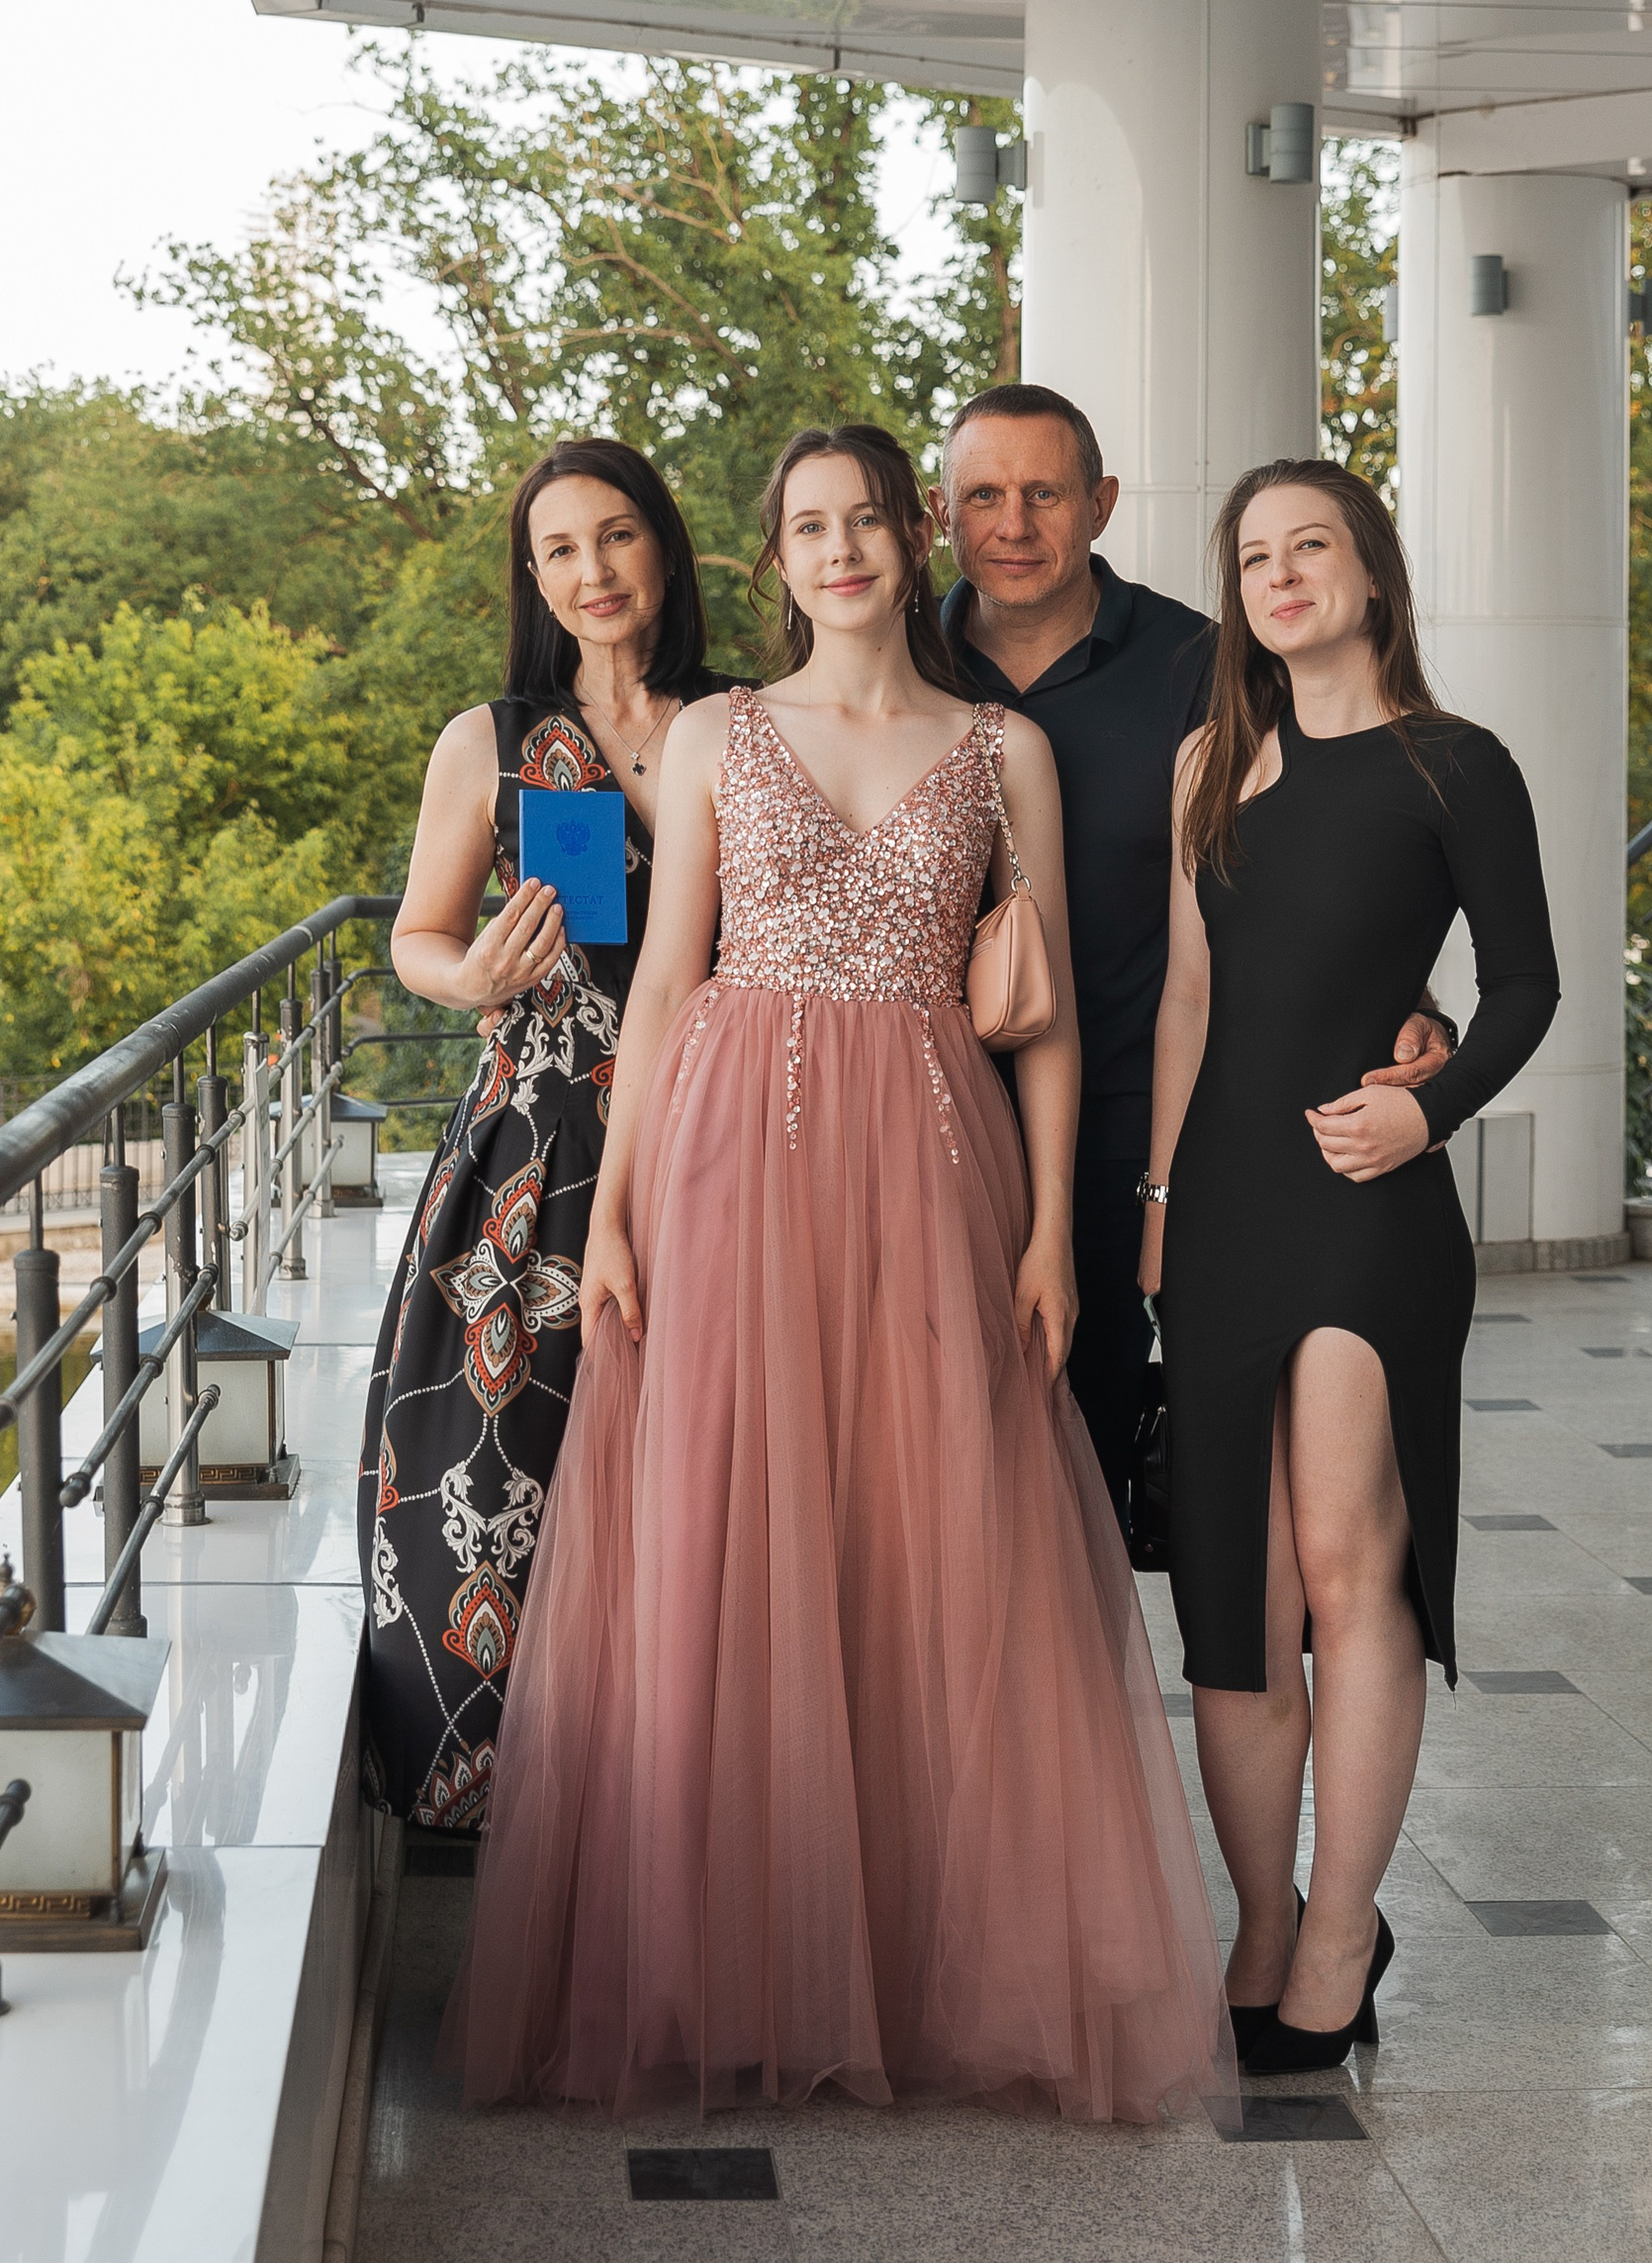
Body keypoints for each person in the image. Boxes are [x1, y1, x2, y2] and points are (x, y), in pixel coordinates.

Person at [443, 423, 1230, 2121]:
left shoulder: (1005, 748)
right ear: (775, 559)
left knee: (924, 1533)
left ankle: (928, 1963)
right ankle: (727, 1966)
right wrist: (618, 1212)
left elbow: (1047, 1016)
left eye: (870, 517)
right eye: (811, 525)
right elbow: (664, 988)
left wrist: (1049, 1231)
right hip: (732, 1157)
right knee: (737, 1537)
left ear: (907, 539)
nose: (845, 547)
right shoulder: (721, 733)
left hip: (936, 1165)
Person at [1141, 457, 1560, 2073]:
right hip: (1224, 1208)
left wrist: (1428, 1107)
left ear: (1372, 571)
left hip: (1365, 1200)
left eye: (1310, 545)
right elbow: (1190, 998)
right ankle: (1264, 1920)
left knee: (1342, 1559)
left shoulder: (1457, 764)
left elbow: (1524, 986)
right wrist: (1156, 1199)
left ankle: (1340, 1925)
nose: (1280, 574)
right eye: (1254, 555)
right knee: (1235, 1596)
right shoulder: (1209, 763)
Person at [933, 385, 1452, 1533]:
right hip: (925, 1122)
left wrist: (1406, 998)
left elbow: (1313, 847)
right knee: (929, 1467)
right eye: (983, 496)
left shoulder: (1209, 665)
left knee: (1098, 1459)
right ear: (940, 511)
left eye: (1044, 494)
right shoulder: (892, 660)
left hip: (1144, 1121)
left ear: (1102, 504)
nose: (1013, 524)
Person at [357, 436, 728, 1834]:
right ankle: (508, 1804)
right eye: (561, 548)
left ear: (665, 547)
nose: (593, 571)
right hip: (534, 1150)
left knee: (696, 1481)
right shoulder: (494, 741)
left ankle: (686, 1801)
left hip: (718, 1141)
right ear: (535, 575)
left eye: (617, 535)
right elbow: (416, 935)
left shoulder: (747, 722)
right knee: (499, 1473)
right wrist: (471, 977)